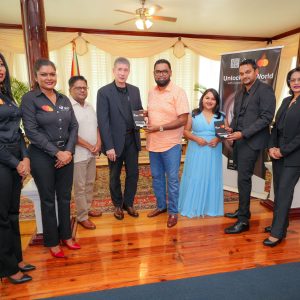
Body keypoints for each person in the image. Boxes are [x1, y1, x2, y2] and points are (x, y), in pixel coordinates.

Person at [21, 58, 80, 258]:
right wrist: (57, 152)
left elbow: (74, 126)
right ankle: (52, 241)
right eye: (44, 74)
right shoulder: (30, 99)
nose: (49, 78)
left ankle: (66, 236)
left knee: (64, 197)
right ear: (36, 77)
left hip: (66, 156)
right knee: (48, 200)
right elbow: (31, 130)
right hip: (42, 157)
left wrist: (69, 152)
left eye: (52, 74)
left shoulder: (63, 99)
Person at [224, 58, 276, 234]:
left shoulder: (265, 90)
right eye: (241, 73)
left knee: (243, 179)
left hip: (252, 142)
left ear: (256, 72)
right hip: (239, 140)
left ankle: (243, 220)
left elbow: (266, 118)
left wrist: (243, 133)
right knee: (242, 178)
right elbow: (238, 117)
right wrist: (232, 129)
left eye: (247, 72)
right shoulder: (240, 92)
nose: (244, 76)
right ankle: (242, 210)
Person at [0, 53, 34, 284]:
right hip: (2, 162)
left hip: (15, 159)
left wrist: (25, 157)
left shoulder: (7, 96)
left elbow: (18, 131)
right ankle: (7, 268)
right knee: (1, 217)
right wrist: (16, 163)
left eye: (1, 64)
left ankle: (17, 259)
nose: (0, 69)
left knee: (13, 213)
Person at [97, 57, 143, 220]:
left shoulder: (135, 90)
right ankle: (117, 205)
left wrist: (145, 118)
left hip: (132, 140)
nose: (122, 73)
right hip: (114, 143)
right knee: (114, 175)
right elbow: (103, 121)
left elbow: (139, 113)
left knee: (133, 174)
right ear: (114, 71)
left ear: (129, 71)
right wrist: (108, 146)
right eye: (119, 70)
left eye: (125, 70)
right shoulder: (104, 92)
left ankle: (128, 203)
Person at [146, 59, 189, 228]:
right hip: (153, 144)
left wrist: (160, 128)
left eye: (164, 71)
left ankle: (172, 212)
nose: (161, 74)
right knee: (156, 178)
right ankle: (161, 206)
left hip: (171, 144)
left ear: (170, 72)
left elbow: (183, 119)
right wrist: (144, 115)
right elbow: (153, 113)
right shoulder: (151, 92)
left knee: (172, 179)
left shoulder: (178, 92)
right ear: (154, 74)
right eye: (158, 71)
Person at [263, 67, 300, 247]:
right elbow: (275, 127)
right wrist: (271, 147)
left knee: (285, 192)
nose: (296, 82)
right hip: (278, 154)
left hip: (294, 157)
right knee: (278, 191)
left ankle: (277, 234)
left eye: (299, 79)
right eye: (292, 79)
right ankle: (280, 225)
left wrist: (283, 150)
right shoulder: (286, 101)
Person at [179, 88, 226, 217]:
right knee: (195, 175)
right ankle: (192, 206)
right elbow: (186, 131)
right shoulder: (193, 114)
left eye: (213, 99)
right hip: (196, 149)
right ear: (202, 99)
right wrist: (196, 139)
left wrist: (217, 139)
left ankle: (209, 207)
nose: (209, 101)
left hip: (213, 151)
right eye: (207, 98)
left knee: (211, 176)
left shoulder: (220, 116)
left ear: (216, 102)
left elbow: (223, 134)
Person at [69, 75, 102, 230]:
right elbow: (71, 133)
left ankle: (87, 208)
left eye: (84, 87)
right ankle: (82, 216)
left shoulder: (89, 106)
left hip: (92, 153)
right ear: (70, 89)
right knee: (80, 186)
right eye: (78, 88)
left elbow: (96, 126)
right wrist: (90, 146)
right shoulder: (68, 107)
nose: (82, 90)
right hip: (78, 154)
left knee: (90, 183)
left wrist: (99, 143)